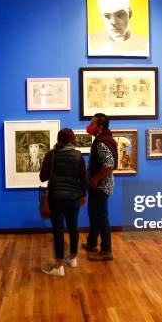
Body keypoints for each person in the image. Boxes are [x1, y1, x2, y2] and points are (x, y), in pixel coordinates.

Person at [39, 128, 87, 277]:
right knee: (73, 227)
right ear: (72, 140)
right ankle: (72, 258)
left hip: (56, 197)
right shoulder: (78, 156)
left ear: (58, 139)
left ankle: (59, 266)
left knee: (58, 230)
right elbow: (83, 178)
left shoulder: (51, 155)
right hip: (74, 197)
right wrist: (83, 194)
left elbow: (43, 177)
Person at [83, 113, 118, 261]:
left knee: (101, 217)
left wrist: (95, 179)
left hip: (101, 186)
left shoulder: (102, 142)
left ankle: (106, 250)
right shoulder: (103, 139)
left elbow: (109, 165)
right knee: (93, 213)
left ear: (100, 126)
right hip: (97, 185)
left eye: (93, 123)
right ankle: (92, 243)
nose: (90, 126)